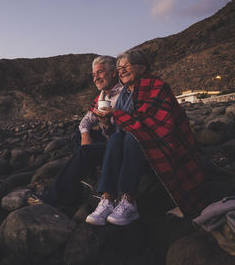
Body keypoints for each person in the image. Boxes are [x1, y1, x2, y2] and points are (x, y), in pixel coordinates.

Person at [86, 49, 207, 226]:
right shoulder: (125, 94)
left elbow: (150, 126)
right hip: (135, 146)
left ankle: (128, 201)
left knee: (133, 137)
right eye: (119, 68)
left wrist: (116, 114)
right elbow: (118, 132)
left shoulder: (156, 86)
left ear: (142, 68)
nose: (122, 71)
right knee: (115, 139)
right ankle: (107, 199)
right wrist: (105, 123)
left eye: (126, 66)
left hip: (164, 144)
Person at [41, 55, 123, 207]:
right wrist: (86, 134)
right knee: (80, 133)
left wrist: (108, 122)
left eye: (99, 73)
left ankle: (51, 197)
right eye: (93, 75)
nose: (95, 78)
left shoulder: (124, 93)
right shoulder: (102, 96)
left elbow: (123, 131)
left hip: (120, 144)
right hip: (108, 138)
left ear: (113, 73)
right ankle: (89, 175)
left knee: (84, 152)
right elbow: (86, 120)